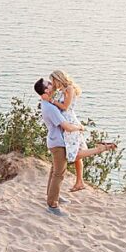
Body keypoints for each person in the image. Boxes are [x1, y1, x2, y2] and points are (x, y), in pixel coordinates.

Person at [34, 77, 84, 216]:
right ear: (46, 90)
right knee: (58, 174)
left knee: (54, 171)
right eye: (48, 84)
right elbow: (66, 127)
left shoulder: (47, 104)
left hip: (54, 140)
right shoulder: (50, 108)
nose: (51, 85)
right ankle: (52, 204)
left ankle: (53, 195)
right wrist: (79, 127)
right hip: (58, 143)